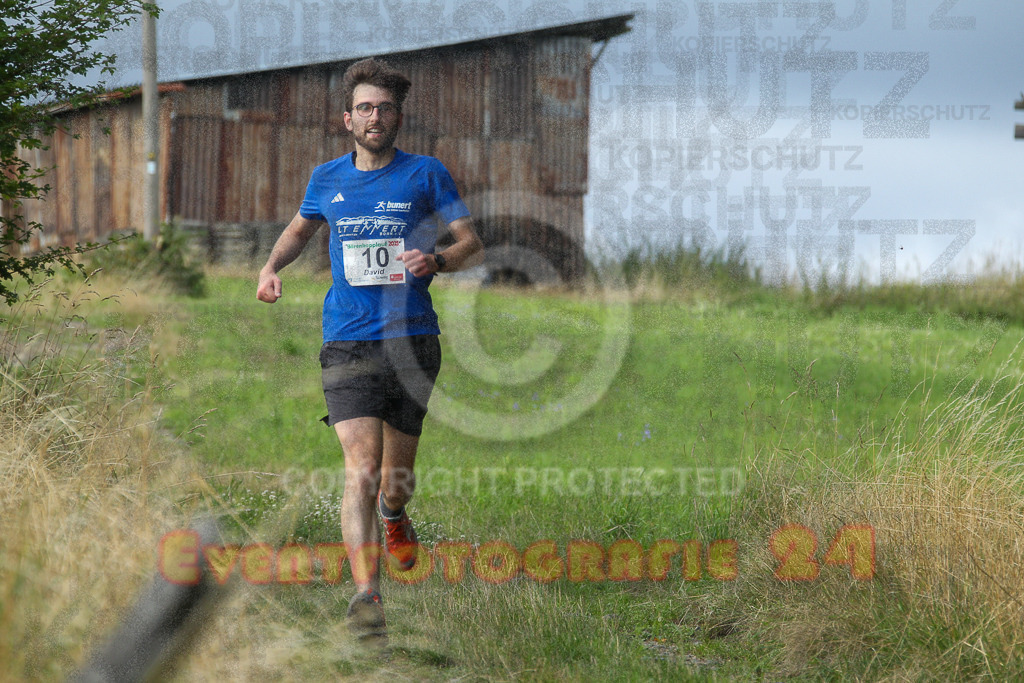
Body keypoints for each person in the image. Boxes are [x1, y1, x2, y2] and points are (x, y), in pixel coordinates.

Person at [256, 57, 483, 641]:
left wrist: (436, 260)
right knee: (359, 467)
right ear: (347, 119)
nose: (374, 116)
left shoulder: (427, 174)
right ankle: (366, 597)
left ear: (397, 116)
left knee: (392, 477)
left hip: (412, 339)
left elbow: (470, 244)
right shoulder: (326, 178)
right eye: (364, 108)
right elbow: (301, 230)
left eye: (384, 107)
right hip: (347, 338)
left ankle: (395, 514)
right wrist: (271, 266)